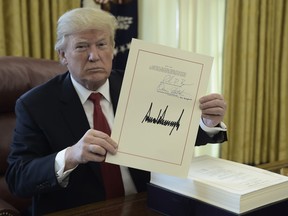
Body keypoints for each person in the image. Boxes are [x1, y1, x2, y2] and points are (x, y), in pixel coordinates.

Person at [5, 8, 227, 215]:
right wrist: (71, 155)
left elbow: (173, 135)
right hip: (81, 210)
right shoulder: (35, 104)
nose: (94, 56)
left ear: (112, 49)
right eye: (82, 47)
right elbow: (18, 178)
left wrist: (206, 123)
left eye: (101, 45)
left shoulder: (141, 85)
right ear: (63, 55)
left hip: (144, 204)